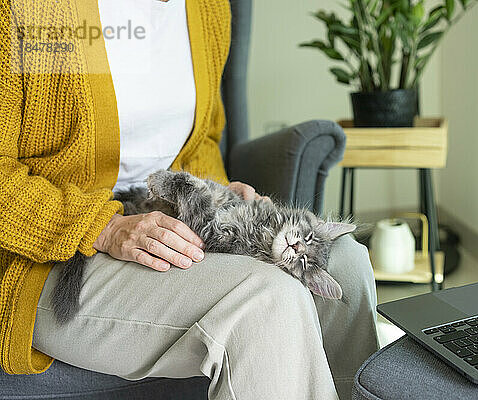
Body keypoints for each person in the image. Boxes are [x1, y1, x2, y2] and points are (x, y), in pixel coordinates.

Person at [0, 0, 378, 399]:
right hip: (51, 255)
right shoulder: (33, 8)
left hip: (172, 222)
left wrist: (221, 195)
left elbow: (200, 146)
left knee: (347, 265)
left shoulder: (208, 9)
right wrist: (104, 228)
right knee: (266, 301)